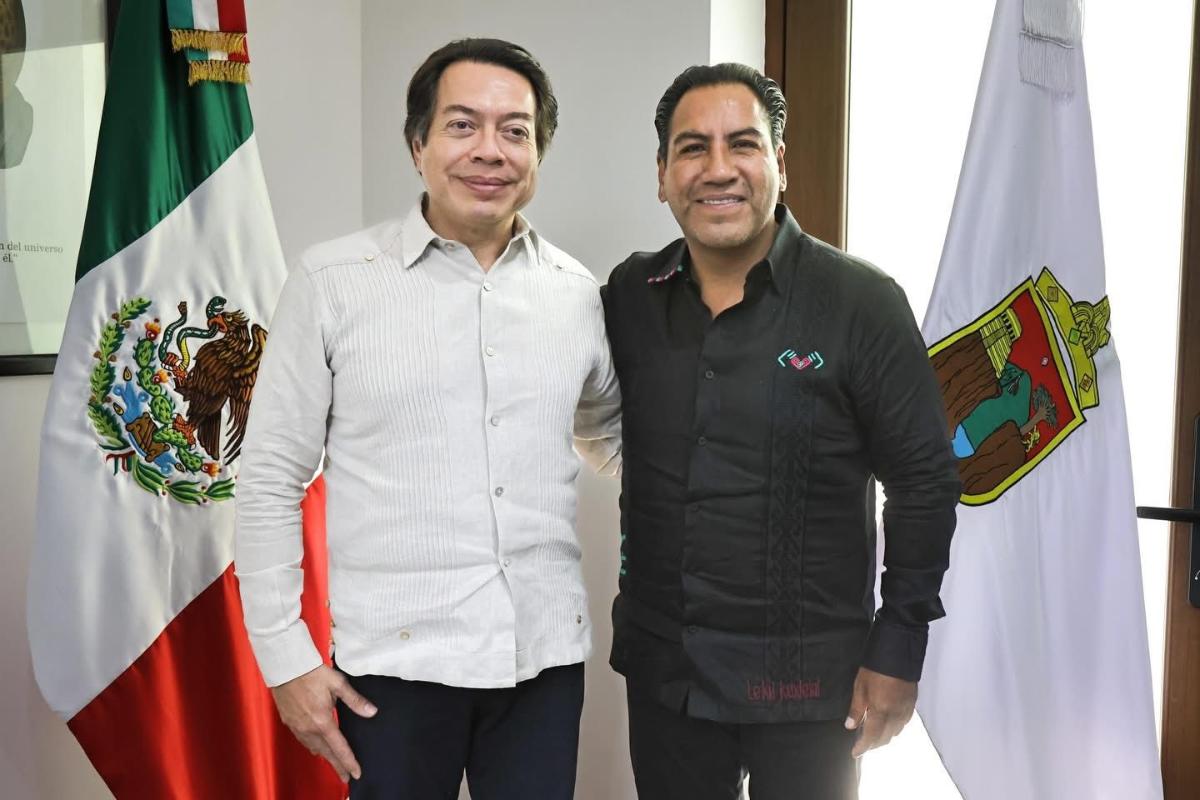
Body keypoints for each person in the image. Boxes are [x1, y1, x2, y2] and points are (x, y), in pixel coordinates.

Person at [234, 38, 621, 800]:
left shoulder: (576, 293)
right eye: (462, 125)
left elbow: (610, 437)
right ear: (418, 145)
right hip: (392, 672)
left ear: (537, 153)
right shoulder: (334, 281)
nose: (490, 151)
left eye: (515, 131)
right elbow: (271, 478)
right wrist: (285, 659)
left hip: (542, 664)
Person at [602, 63, 960, 800]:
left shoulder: (860, 303)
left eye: (743, 144)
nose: (719, 169)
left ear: (780, 163)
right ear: (663, 175)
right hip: (668, 676)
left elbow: (924, 483)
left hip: (809, 687)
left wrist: (898, 647)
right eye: (693, 148)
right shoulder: (631, 296)